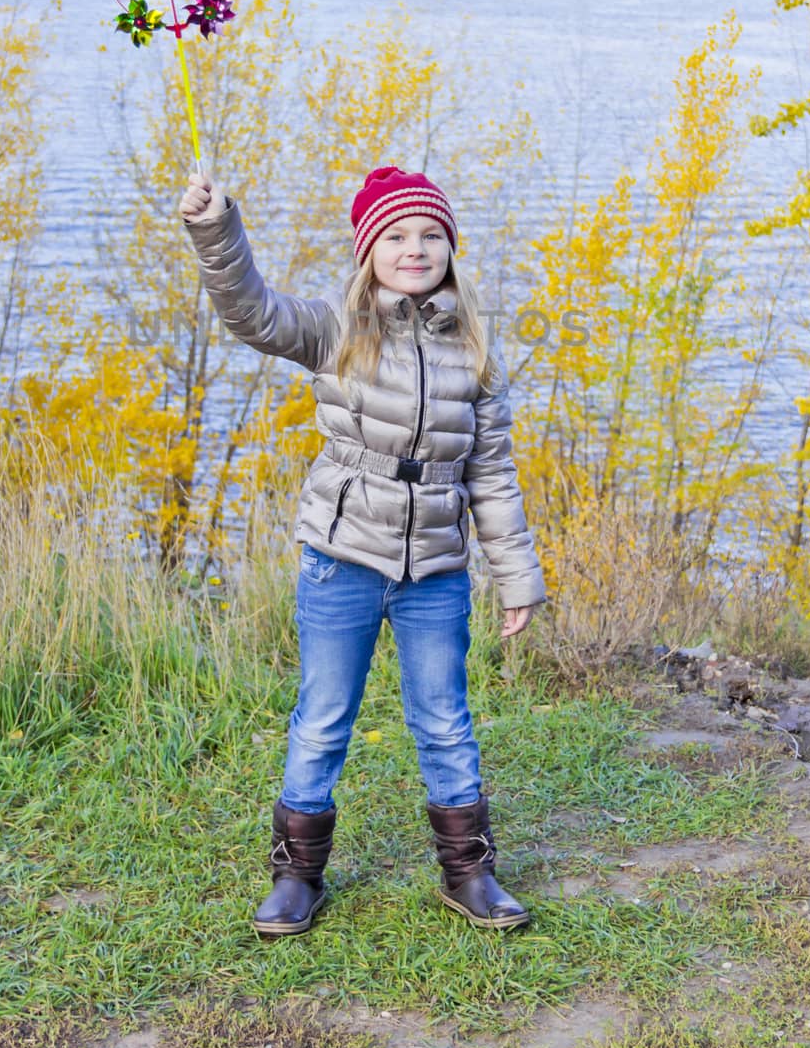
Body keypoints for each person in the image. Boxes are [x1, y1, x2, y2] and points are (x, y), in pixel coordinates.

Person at [180, 162, 547, 937]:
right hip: (342, 557)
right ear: (368, 248)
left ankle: (469, 871)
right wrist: (216, 230)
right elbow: (250, 312)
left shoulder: (473, 354)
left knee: (444, 719)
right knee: (322, 718)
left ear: (449, 247)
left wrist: (516, 576)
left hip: (436, 571)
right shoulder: (334, 329)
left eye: (428, 235)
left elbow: (493, 474)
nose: (413, 249)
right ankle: (295, 876)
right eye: (395, 235)